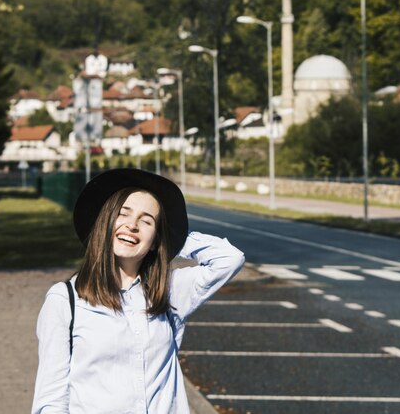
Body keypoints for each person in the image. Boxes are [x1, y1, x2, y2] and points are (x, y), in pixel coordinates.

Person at [31, 168, 245, 413]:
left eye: (146, 221)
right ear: (105, 222)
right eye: (123, 214)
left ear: (155, 241)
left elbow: (230, 258)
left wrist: (173, 237)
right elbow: (50, 400)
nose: (132, 226)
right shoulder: (65, 300)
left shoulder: (169, 290)